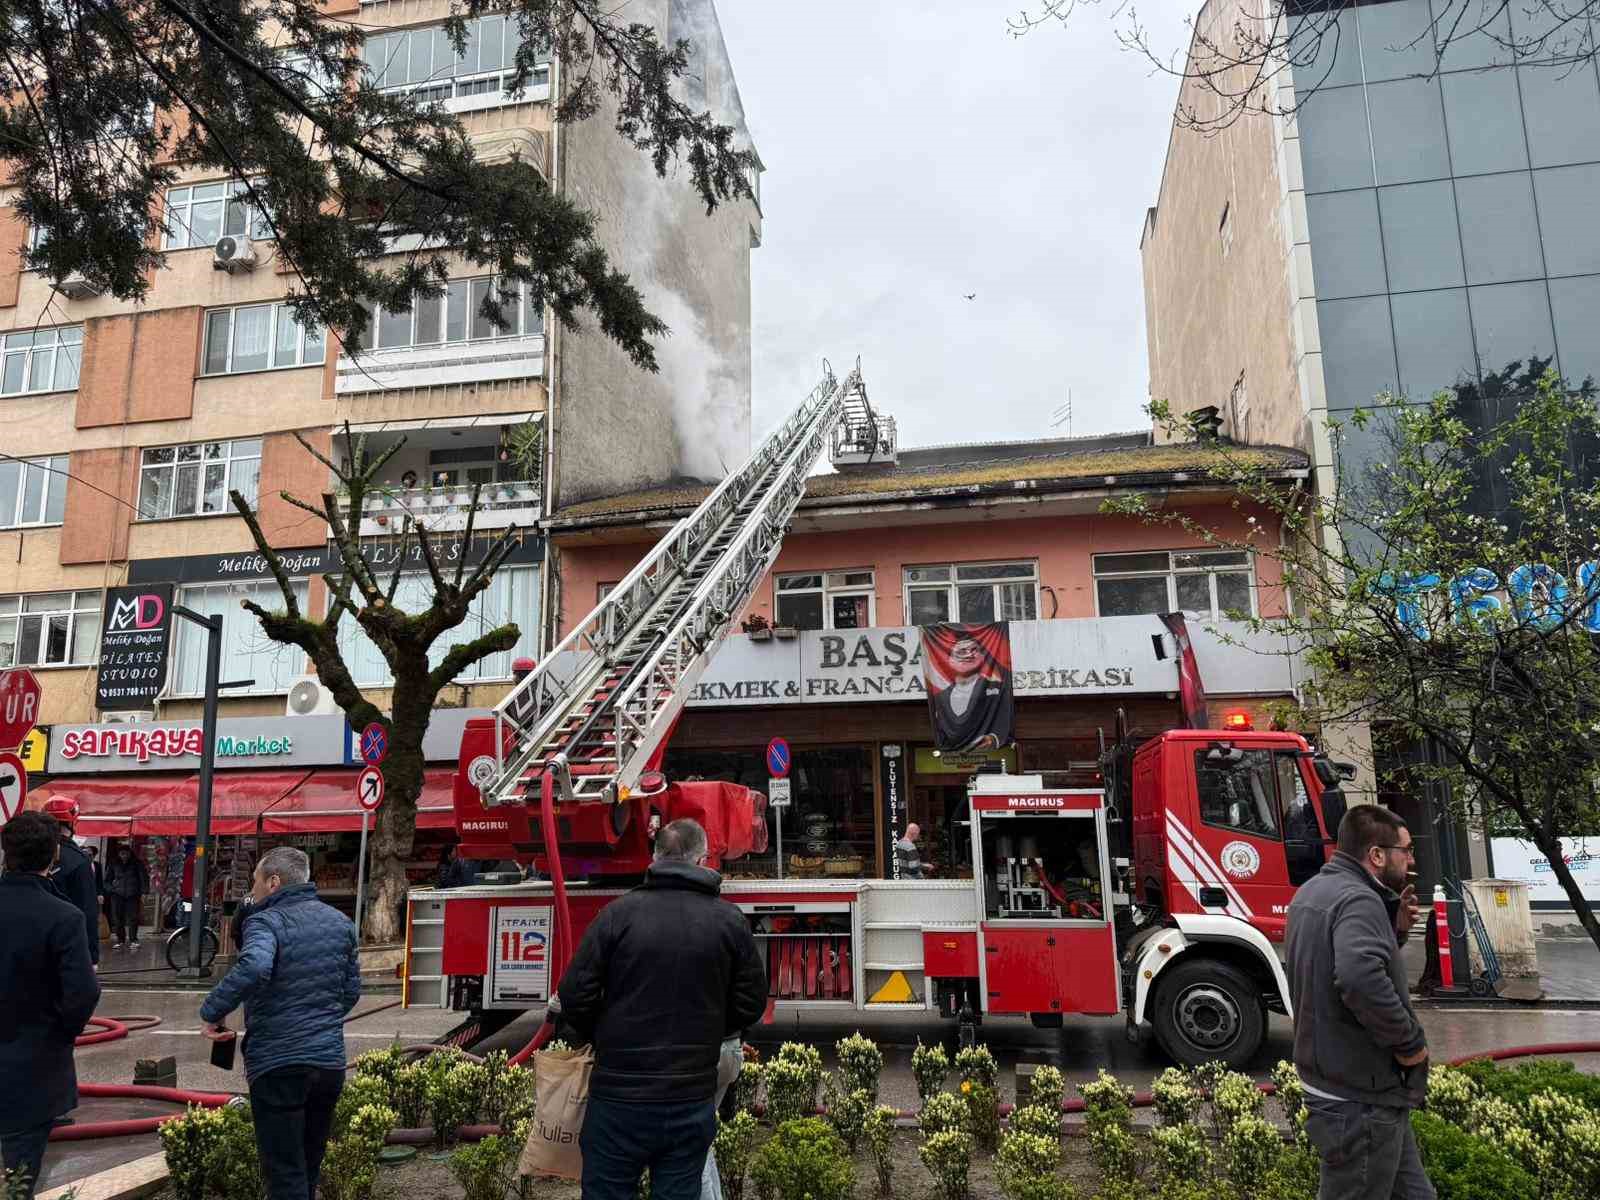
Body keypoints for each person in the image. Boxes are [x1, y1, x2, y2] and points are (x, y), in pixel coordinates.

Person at [556, 819, 767, 1200]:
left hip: (618, 1097)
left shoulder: (616, 915)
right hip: (690, 1097)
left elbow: (575, 995)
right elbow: (750, 1003)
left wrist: (604, 1035)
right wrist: (708, 1033)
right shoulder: (728, 921)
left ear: (654, 858)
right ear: (704, 860)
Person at [1286, 805, 1431, 1200]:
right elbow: (1357, 978)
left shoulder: (1312, 892)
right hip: (1359, 1103)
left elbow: (1339, 962)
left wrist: (1394, 931)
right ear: (1377, 855)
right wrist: (1410, 1046)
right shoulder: (1358, 901)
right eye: (1406, 849)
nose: (1412, 859)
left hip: (1356, 1091)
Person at [200, 847, 360, 1200]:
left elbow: (254, 967)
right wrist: (322, 1019)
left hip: (278, 1062)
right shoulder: (340, 922)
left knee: (284, 1172)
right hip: (329, 1063)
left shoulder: (265, 921)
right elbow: (351, 991)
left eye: (256, 881)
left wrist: (212, 1010)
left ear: (273, 883)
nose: (252, 891)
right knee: (309, 1164)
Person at [0, 812, 101, 1198]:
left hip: (32, 1058)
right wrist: (58, 1032)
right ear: (53, 856)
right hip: (34, 1066)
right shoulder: (63, 916)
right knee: (20, 1178)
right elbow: (82, 993)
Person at [41, 799, 100, 969]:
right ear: (72, 822)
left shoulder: (28, 850)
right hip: (64, 945)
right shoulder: (79, 861)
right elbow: (87, 909)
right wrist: (91, 955)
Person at [105, 843, 149, 951]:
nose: (123, 856)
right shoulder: (113, 863)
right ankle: (120, 940)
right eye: (121, 854)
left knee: (133, 918)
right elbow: (107, 880)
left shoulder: (137, 863)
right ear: (118, 854)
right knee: (118, 918)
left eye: (125, 854)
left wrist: (144, 892)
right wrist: (112, 889)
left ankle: (133, 939)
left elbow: (144, 878)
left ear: (129, 853)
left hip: (133, 894)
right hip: (117, 895)